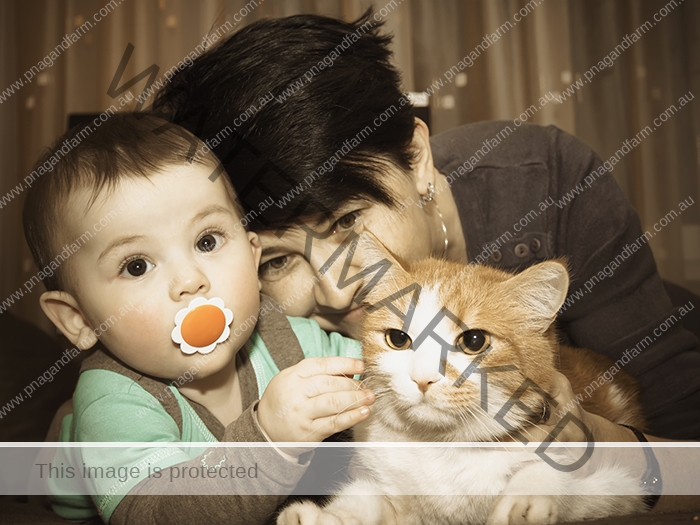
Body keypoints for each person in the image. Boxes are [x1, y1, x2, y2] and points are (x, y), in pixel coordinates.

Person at [153, 9, 700, 512]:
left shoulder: (550, 182)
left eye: (346, 223)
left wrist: (588, 441)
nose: (340, 291)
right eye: (275, 261)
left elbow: (688, 451)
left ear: (415, 158)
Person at [22, 113, 375, 524]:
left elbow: (377, 376)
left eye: (207, 241)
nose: (190, 280)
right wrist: (265, 442)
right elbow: (155, 515)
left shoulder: (284, 338)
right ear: (78, 319)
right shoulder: (113, 399)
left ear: (252, 252)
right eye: (137, 266)